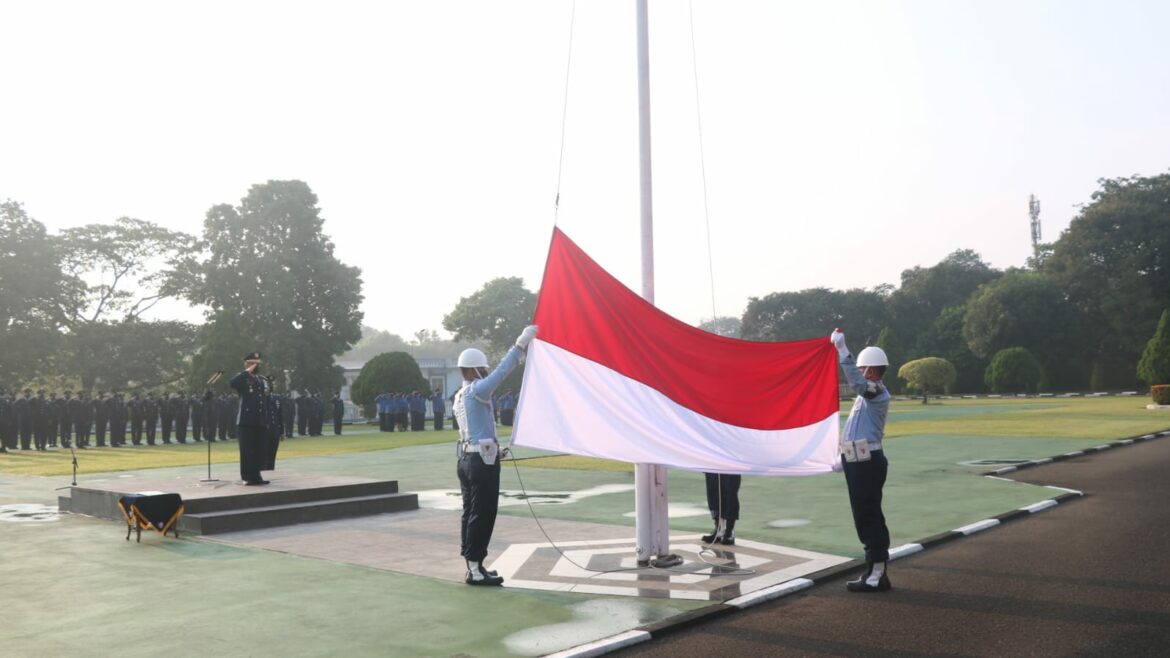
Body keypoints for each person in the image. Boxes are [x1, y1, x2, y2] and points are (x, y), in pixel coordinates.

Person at [454, 324, 537, 587]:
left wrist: (493, 447)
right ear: (475, 369)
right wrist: (520, 345)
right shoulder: (477, 389)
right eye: (483, 369)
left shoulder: (459, 395)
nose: (486, 373)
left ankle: (473, 565)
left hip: (467, 458)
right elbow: (502, 372)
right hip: (480, 462)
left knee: (470, 513)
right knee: (483, 513)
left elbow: (476, 429)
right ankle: (476, 569)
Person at [830, 329, 893, 593]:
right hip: (859, 461)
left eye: (861, 368)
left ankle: (877, 572)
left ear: (871, 370)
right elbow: (857, 431)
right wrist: (844, 456)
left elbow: (857, 384)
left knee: (868, 516)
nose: (859, 372)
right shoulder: (866, 394)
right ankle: (874, 570)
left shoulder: (875, 390)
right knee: (864, 514)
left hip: (867, 464)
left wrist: (843, 352)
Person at [229, 352, 271, 485]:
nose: (255, 366)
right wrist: (246, 372)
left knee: (260, 449)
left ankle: (257, 475)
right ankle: (247, 477)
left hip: (260, 420)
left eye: (257, 363)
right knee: (247, 450)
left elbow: (266, 397)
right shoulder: (242, 378)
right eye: (252, 363)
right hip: (246, 420)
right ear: (246, 364)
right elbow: (232, 383)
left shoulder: (261, 379)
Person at [701, 472, 741, 545]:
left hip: (730, 464)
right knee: (713, 491)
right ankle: (719, 530)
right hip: (714, 462)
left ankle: (729, 531)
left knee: (730, 492)